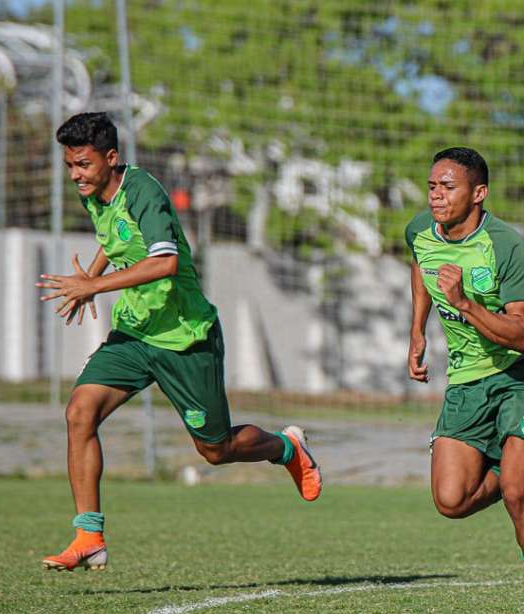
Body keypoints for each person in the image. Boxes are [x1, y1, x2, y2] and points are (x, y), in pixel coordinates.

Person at [36, 112, 321, 572]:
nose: (75, 175)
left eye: (83, 165)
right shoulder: (96, 195)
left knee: (216, 451)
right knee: (79, 412)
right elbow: (118, 238)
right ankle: (89, 535)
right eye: (70, 166)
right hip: (135, 333)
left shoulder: (144, 191)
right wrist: (91, 273)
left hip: (185, 338)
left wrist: (92, 288)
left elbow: (164, 263)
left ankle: (287, 448)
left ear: (111, 159)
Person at [406, 147, 524, 614]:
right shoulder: (419, 232)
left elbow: (522, 332)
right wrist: (417, 331)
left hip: (523, 373)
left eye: (448, 187)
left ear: (478, 194)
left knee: (516, 491)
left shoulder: (505, 245)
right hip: (468, 380)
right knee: (451, 501)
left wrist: (465, 304)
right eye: (432, 185)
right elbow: (421, 265)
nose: (437, 195)